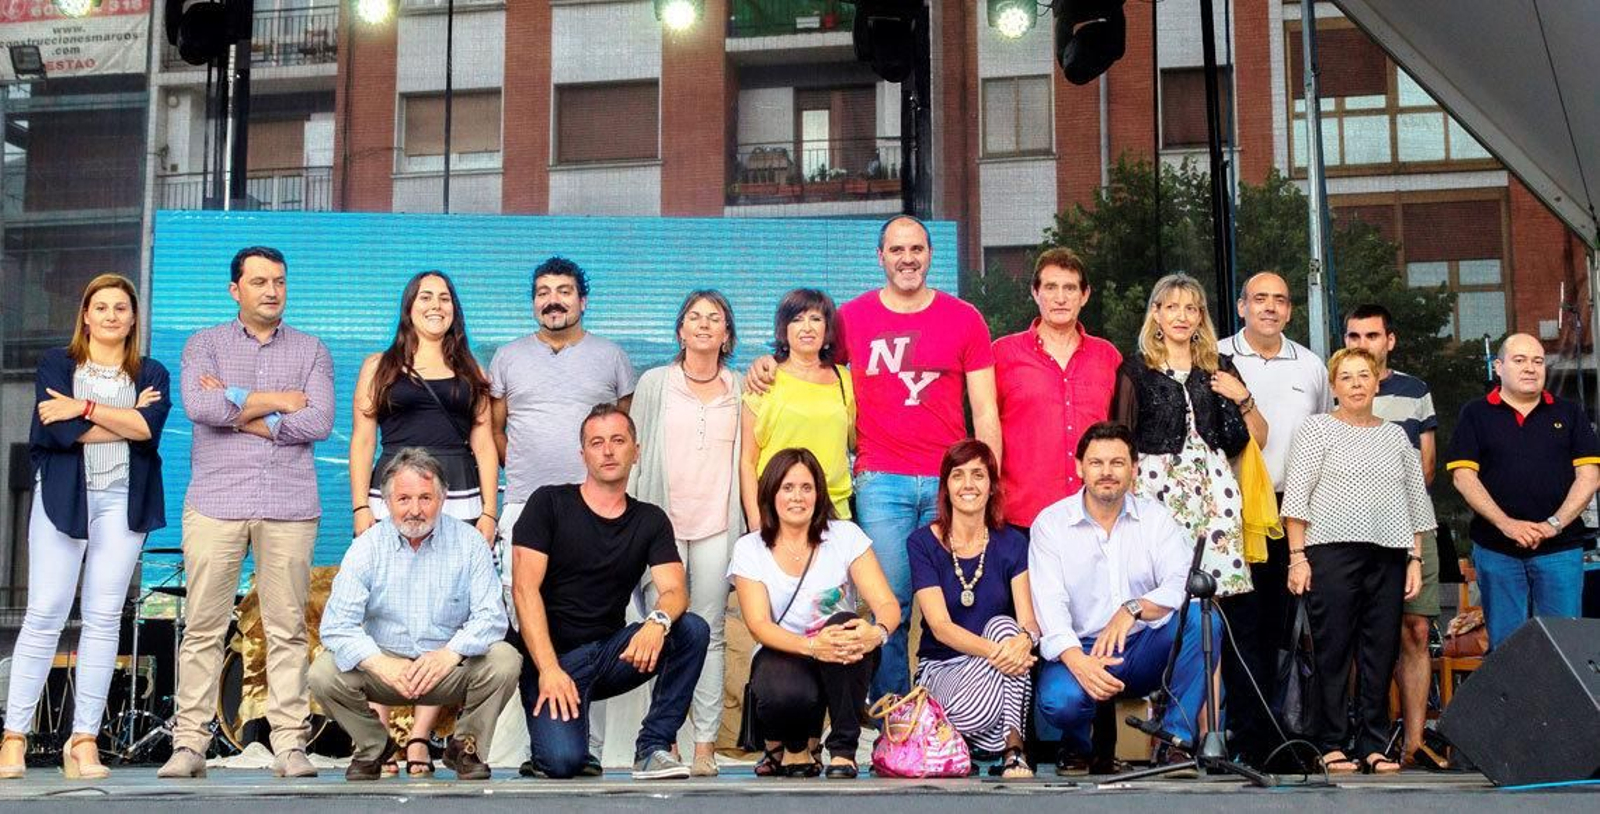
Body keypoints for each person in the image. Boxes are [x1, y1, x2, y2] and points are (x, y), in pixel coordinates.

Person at [749, 215, 1000, 700]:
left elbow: (986, 410)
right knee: (892, 604)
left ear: (930, 255)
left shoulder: (964, 318)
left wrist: (990, 482)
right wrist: (765, 364)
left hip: (951, 479)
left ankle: (957, 716)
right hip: (881, 478)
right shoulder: (853, 318)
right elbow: (811, 366)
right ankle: (895, 719)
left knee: (959, 603)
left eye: (917, 249)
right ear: (880, 257)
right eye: (897, 250)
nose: (908, 259)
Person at [160, 247, 334, 780]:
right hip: (216, 502)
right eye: (259, 281)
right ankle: (189, 744)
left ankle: (290, 746)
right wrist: (281, 399)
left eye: (279, 281)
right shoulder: (204, 345)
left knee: (287, 629)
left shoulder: (311, 350)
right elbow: (200, 408)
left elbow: (319, 421)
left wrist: (240, 406)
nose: (271, 291)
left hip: (288, 505)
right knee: (204, 628)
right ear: (235, 289)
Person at [0, 275, 171, 781]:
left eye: (122, 307)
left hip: (123, 501)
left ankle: (84, 741)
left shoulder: (151, 371)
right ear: (86, 315)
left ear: (134, 318)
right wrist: (116, 419)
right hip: (64, 497)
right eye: (102, 307)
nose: (112, 315)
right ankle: (13, 736)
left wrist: (85, 408)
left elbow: (148, 431)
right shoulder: (58, 363)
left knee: (102, 618)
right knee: (46, 613)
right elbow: (56, 430)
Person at [348, 270, 499, 776]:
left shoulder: (469, 367)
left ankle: (418, 738)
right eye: (425, 297)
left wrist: (490, 512)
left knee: (449, 614)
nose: (436, 305)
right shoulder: (379, 365)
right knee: (380, 608)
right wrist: (361, 509)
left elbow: (484, 444)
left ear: (454, 309)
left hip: (458, 492)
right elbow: (363, 441)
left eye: (445, 298)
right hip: (392, 489)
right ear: (409, 306)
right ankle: (381, 740)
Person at [510, 403, 710, 780]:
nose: (608, 450)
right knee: (563, 764)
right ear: (582, 453)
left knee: (691, 630)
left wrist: (657, 621)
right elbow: (524, 591)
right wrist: (549, 669)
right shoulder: (548, 503)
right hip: (552, 663)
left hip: (608, 657)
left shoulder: (649, 519)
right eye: (596, 442)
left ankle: (652, 747)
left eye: (618, 441)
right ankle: (551, 750)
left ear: (637, 450)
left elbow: (674, 590)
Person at [490, 256, 633, 771]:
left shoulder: (612, 357)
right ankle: (540, 741)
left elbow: (622, 428)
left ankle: (586, 744)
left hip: (594, 510)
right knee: (526, 619)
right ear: (534, 301)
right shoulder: (506, 358)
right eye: (544, 291)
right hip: (526, 506)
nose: (553, 299)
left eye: (564, 291)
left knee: (589, 623)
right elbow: (496, 429)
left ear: (582, 300)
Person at [312, 449, 519, 782]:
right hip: (385, 670)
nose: (415, 510)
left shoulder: (470, 543)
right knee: (323, 672)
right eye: (404, 498)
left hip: (445, 669)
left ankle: (466, 748)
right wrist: (380, 663)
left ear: (443, 497)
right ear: (386, 502)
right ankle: (374, 746)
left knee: (504, 660)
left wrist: (450, 653)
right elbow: (336, 627)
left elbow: (492, 618)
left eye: (425, 497)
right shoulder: (366, 548)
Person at [1282, 348, 1435, 775]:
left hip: (1387, 552)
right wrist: (1297, 557)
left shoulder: (1395, 437)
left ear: (1376, 382)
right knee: (1333, 649)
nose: (1355, 384)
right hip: (1330, 551)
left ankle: (1372, 742)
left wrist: (1415, 558)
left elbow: (1415, 502)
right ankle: (1329, 742)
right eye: (1346, 377)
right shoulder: (1316, 430)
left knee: (1380, 649)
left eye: (1363, 375)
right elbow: (1296, 498)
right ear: (1334, 385)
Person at [1030, 422, 1214, 761]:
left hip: (1143, 648)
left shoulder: (1156, 519)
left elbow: (1180, 584)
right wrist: (1079, 662)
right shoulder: (1051, 524)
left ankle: (1175, 741)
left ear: (1134, 469)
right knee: (1061, 703)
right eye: (1097, 462)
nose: (1107, 472)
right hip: (1080, 647)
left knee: (1205, 621)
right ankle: (1078, 743)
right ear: (1079, 467)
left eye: (1117, 463)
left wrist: (1133, 608)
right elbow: (1049, 607)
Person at [627, 289, 746, 776]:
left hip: (719, 525)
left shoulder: (741, 387)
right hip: (662, 527)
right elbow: (634, 457)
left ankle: (703, 744)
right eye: (693, 318)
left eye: (713, 318)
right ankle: (664, 742)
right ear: (680, 330)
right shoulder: (655, 383)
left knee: (712, 634)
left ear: (726, 334)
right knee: (668, 628)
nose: (702, 325)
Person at [729, 447, 901, 779]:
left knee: (846, 625)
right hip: (785, 652)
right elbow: (758, 625)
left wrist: (876, 632)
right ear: (771, 493)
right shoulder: (750, 548)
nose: (798, 497)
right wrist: (812, 647)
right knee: (784, 692)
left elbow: (888, 606)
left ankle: (843, 750)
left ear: (819, 494)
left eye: (807, 488)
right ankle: (794, 747)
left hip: (843, 655)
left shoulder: (845, 536)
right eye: (787, 487)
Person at [1216, 270, 1329, 766]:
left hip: (1293, 516)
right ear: (1242, 307)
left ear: (1289, 311)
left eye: (1279, 300)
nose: (1269, 307)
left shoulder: (1310, 366)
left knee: (1284, 633)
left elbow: (1326, 434)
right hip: (1230, 514)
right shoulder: (1216, 357)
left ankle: (1281, 740)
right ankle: (1248, 740)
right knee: (1240, 633)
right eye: (1259, 299)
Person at [1111, 273, 1264, 600]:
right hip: (1155, 489)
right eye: (1172, 307)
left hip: (1214, 489)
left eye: (1191, 309)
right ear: (1156, 312)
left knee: (1214, 593)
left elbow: (1255, 440)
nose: (1182, 316)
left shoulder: (1218, 366)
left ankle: (1210, 653)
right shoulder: (1136, 370)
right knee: (1161, 588)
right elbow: (1120, 440)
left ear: (1200, 317)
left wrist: (1242, 396)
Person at [1447, 333, 1600, 649]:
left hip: (1560, 548)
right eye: (1520, 360)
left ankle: (1559, 702)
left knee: (1564, 648)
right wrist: (1507, 524)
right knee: (1507, 649)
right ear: (1499, 367)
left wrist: (1552, 524)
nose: (1531, 368)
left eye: (1538, 361)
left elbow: (1589, 476)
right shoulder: (1475, 414)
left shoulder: (1569, 413)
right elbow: (1463, 477)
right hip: (1497, 549)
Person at [1343, 303, 1444, 768]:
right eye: (1353, 336)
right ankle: (1367, 739)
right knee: (1360, 637)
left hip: (1411, 523)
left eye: (1371, 336)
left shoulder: (1414, 391)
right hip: (1354, 533)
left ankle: (1414, 742)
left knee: (1416, 630)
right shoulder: (1339, 389)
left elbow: (1425, 467)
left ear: (1390, 340)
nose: (1362, 345)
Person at [908, 440, 1037, 778]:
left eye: (978, 475)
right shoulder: (923, 542)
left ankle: (1012, 750)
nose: (968, 485)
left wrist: (1024, 641)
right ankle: (995, 744)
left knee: (1008, 628)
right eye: (958, 475)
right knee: (1007, 640)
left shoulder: (1012, 542)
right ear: (945, 486)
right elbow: (940, 626)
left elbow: (1029, 622)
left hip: (994, 682)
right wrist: (1003, 653)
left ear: (992, 485)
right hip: (942, 670)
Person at [991, 248, 1121, 533]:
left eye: (1070, 288)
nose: (1060, 298)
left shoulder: (1108, 357)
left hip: (1095, 514)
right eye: (1050, 287)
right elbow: (983, 427)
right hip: (1021, 518)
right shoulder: (1001, 354)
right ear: (1035, 293)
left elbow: (1121, 432)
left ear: (1084, 295)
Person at [740, 288, 854, 525]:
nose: (807, 328)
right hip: (778, 508)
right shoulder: (763, 379)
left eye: (816, 319)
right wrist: (754, 520)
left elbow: (854, 442)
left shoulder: (844, 379)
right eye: (797, 319)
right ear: (784, 329)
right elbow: (748, 461)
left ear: (827, 328)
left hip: (835, 510)